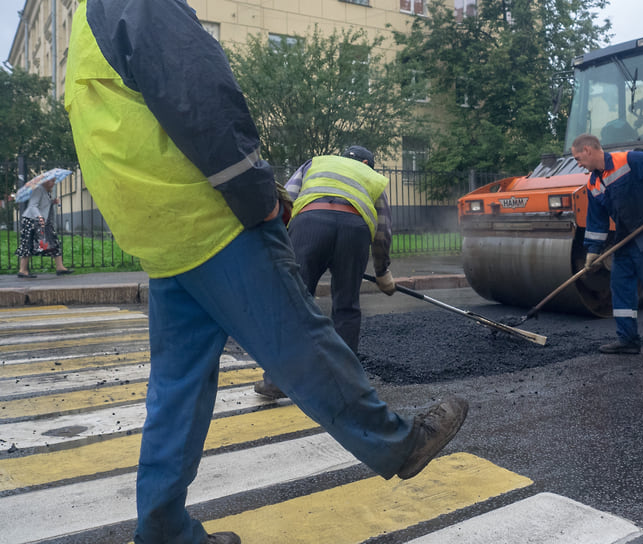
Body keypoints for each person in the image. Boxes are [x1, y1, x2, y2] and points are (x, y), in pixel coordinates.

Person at [63, 2, 467, 543]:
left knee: (175, 389)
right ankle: (398, 443)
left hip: (157, 235)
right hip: (214, 218)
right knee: (303, 338)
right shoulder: (143, 3)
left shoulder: (87, 23)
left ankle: (162, 531)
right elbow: (202, 101)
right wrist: (258, 199)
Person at [253, 146, 396, 399]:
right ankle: (344, 383)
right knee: (347, 307)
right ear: (366, 162)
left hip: (310, 222)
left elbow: (286, 198)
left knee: (294, 303)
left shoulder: (315, 163)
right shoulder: (372, 177)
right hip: (355, 229)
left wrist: (282, 245)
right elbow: (383, 228)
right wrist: (382, 272)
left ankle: (278, 380)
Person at [571, 134, 643, 357]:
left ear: (588, 150)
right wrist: (593, 252)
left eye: (578, 158)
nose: (578, 163)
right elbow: (597, 221)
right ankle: (628, 340)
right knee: (620, 289)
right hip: (624, 241)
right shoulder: (593, 184)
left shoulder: (628, 161)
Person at [15, 177, 74, 278]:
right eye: (52, 181)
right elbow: (33, 206)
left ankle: (60, 267)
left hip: (43, 221)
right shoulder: (38, 189)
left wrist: (52, 202)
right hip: (32, 220)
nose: (53, 183)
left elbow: (43, 205)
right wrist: (39, 217)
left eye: (54, 181)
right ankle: (23, 270)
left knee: (54, 241)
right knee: (27, 243)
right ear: (46, 181)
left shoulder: (46, 191)